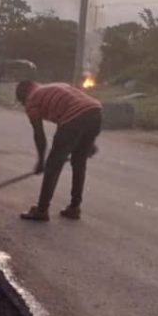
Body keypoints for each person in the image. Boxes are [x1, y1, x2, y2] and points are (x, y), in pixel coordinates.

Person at [16, 80, 103, 222]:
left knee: (53, 166)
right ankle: (74, 207)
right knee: (79, 163)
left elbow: (39, 135)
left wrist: (41, 161)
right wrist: (89, 142)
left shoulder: (32, 100)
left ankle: (41, 210)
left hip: (75, 117)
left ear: (23, 96)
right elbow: (82, 108)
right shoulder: (54, 87)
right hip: (95, 111)